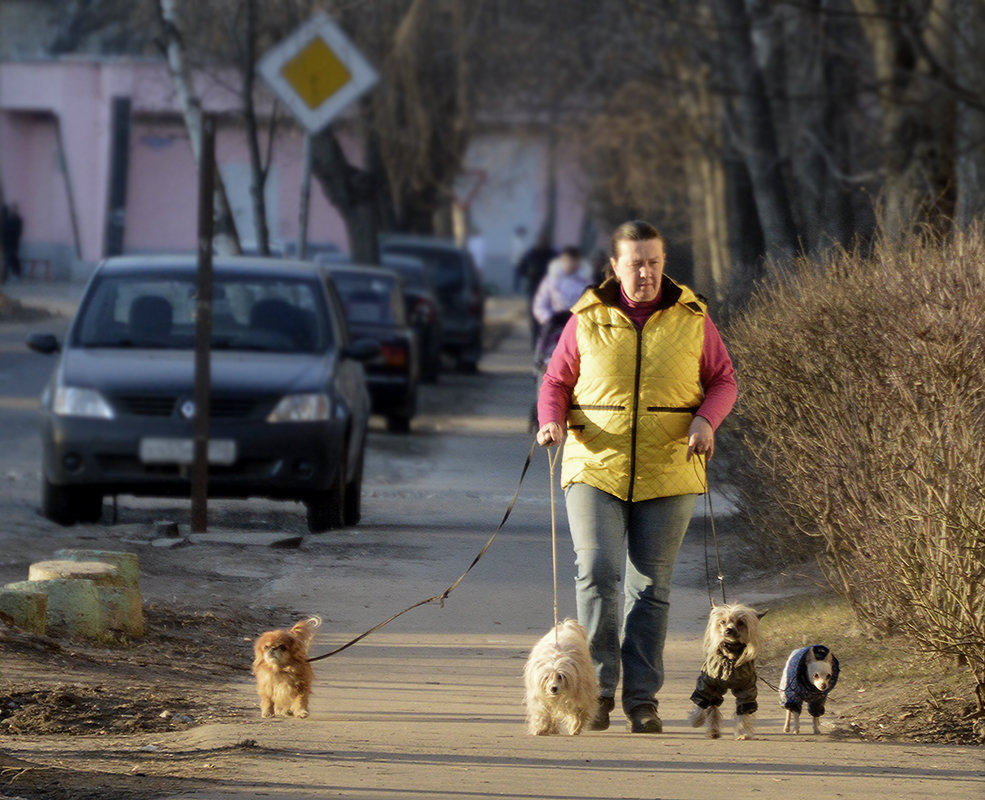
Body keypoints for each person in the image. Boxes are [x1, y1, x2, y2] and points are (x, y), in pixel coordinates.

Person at [535, 220, 737, 734]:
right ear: (615, 267)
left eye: (653, 263)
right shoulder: (587, 316)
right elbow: (556, 379)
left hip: (669, 468)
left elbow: (723, 380)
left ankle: (642, 700)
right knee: (598, 572)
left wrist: (705, 419)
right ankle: (598, 690)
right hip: (593, 464)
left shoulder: (693, 318)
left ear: (663, 264)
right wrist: (551, 418)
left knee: (650, 588)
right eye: (634, 264)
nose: (644, 273)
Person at [531, 246, 591, 329]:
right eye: (567, 260)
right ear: (561, 260)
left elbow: (591, 305)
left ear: (578, 261)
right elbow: (539, 305)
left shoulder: (586, 282)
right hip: (553, 327)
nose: (570, 263)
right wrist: (549, 320)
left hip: (577, 327)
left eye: (573, 260)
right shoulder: (551, 280)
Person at [514, 232, 557, 347]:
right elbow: (520, 269)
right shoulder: (530, 255)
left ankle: (549, 340)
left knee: (551, 317)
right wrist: (528, 273)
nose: (542, 243)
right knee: (535, 316)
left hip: (552, 292)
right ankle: (535, 340)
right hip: (534, 289)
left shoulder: (553, 255)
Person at [1, 202, 23, 280]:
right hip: (8, 243)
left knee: (10, 259)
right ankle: (15, 274)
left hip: (12, 243)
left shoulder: (15, 219)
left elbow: (17, 231)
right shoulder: (8, 219)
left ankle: (8, 276)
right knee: (11, 259)